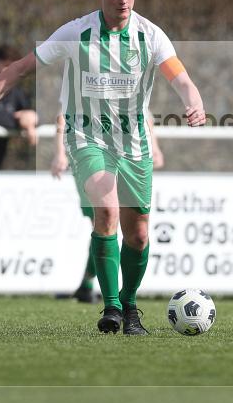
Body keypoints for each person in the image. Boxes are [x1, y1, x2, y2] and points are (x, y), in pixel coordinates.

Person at [0, 0, 205, 335]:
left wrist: (193, 101)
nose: (124, 1)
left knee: (139, 233)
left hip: (134, 143)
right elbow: (17, 69)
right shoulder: (76, 33)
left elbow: (180, 78)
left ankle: (131, 306)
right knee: (106, 212)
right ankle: (112, 307)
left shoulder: (150, 35)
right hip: (87, 138)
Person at [51, 112, 164, 303]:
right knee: (102, 221)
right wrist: (59, 153)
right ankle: (105, 298)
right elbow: (63, 116)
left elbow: (146, 116)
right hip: (90, 155)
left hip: (126, 156)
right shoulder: (82, 83)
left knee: (131, 230)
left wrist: (155, 147)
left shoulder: (130, 85)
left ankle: (93, 287)